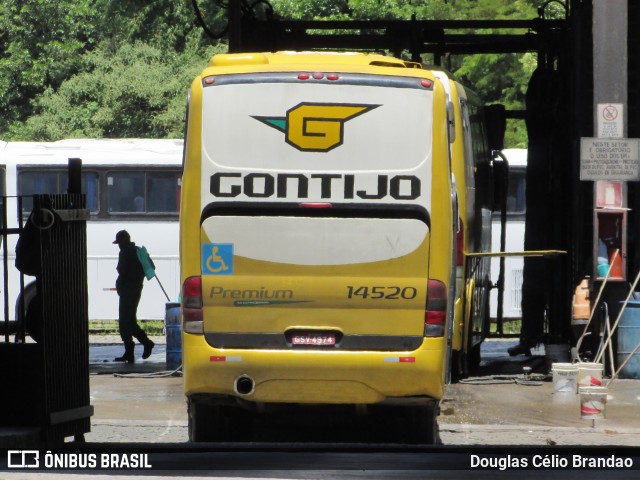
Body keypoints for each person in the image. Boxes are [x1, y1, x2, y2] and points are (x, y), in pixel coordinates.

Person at [112, 229, 155, 363]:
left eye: (119, 242)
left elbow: (121, 270)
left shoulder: (125, 252)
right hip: (137, 288)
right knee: (129, 320)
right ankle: (130, 352)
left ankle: (145, 343)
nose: (118, 245)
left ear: (124, 241)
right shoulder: (138, 251)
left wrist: (120, 283)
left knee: (125, 321)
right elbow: (151, 266)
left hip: (127, 290)